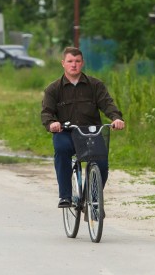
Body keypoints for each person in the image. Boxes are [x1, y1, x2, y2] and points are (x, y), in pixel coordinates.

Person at [41, 46, 125, 208]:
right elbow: (46, 112)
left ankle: (91, 199)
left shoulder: (95, 85)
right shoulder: (53, 89)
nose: (74, 65)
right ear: (63, 63)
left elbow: (107, 104)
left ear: (82, 63)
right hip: (66, 132)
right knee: (62, 151)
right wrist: (51, 123)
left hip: (90, 133)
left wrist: (116, 118)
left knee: (101, 164)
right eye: (70, 61)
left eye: (77, 61)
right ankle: (65, 196)